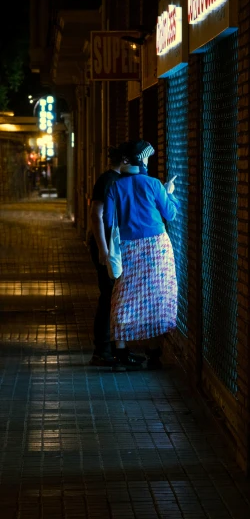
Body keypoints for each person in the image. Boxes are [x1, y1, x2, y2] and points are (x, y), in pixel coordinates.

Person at [104, 139, 178, 368]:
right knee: (157, 296)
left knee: (123, 296)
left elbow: (108, 219)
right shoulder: (154, 184)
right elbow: (171, 214)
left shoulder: (115, 187)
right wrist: (169, 193)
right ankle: (154, 353)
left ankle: (120, 352)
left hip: (127, 246)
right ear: (140, 160)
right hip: (156, 245)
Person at [88, 146, 145, 369]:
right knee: (109, 295)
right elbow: (96, 215)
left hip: (111, 245)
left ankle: (110, 349)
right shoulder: (109, 180)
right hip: (106, 245)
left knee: (113, 294)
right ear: (123, 160)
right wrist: (103, 249)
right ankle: (102, 351)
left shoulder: (115, 179)